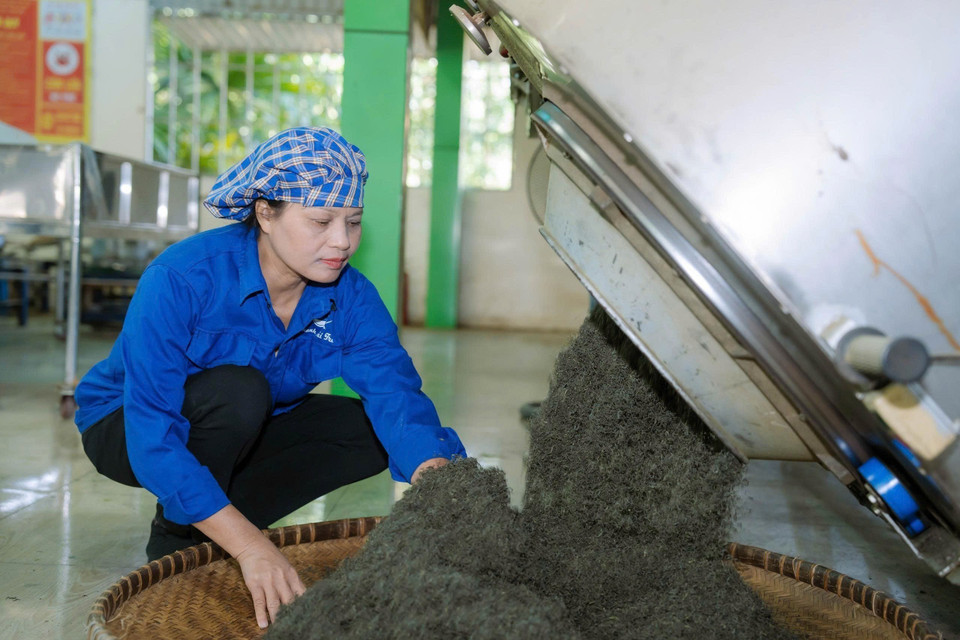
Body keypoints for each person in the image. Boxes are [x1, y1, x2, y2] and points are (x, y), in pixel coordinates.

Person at [73, 127, 467, 628]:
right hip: (125, 424)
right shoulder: (182, 278)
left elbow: (396, 393)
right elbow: (153, 432)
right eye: (321, 220)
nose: (342, 241)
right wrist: (253, 548)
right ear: (265, 213)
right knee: (238, 391)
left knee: (368, 433)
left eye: (354, 222)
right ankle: (179, 535)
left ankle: (219, 520)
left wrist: (437, 477)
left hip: (247, 422)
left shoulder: (351, 296)